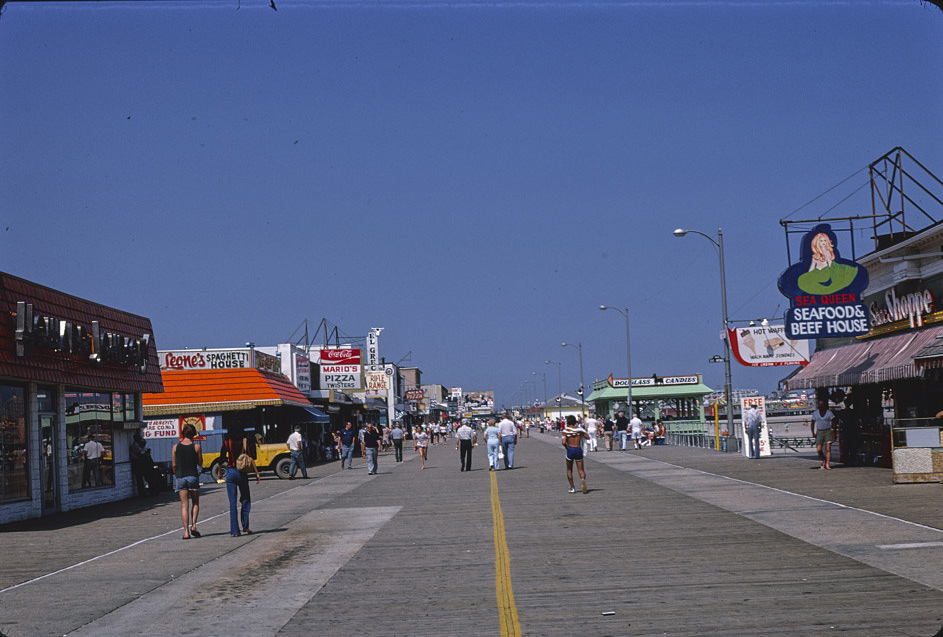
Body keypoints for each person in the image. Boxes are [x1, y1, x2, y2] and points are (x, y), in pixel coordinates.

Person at [223, 429, 260, 537]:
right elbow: (250, 457)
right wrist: (257, 473)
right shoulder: (244, 442)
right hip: (241, 472)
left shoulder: (227, 442)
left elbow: (221, 458)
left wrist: (220, 472)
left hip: (230, 472)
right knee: (245, 498)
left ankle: (235, 531)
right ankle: (245, 525)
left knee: (232, 502)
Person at [173, 423, 203, 540]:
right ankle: (194, 525)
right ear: (193, 434)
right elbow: (200, 463)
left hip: (181, 477)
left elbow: (174, 465)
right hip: (192, 476)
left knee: (184, 505)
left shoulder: (175, 447)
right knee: (195, 503)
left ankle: (186, 532)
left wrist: (177, 475)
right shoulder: (196, 447)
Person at [562, 415, 589, 493]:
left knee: (569, 469)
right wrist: (580, 435)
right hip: (578, 449)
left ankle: (572, 487)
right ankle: (583, 480)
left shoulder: (565, 431)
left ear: (567, 422)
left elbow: (563, 442)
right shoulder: (580, 430)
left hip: (570, 449)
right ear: (575, 422)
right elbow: (587, 437)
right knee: (581, 470)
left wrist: (567, 448)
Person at [810, 399, 837, 469]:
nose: (821, 406)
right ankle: (823, 459)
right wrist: (813, 432)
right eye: (820, 405)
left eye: (822, 405)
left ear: (825, 406)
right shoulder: (815, 413)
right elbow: (812, 423)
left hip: (828, 431)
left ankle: (827, 464)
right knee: (819, 449)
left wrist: (834, 433)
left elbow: (833, 423)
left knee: (828, 448)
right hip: (819, 431)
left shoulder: (829, 413)